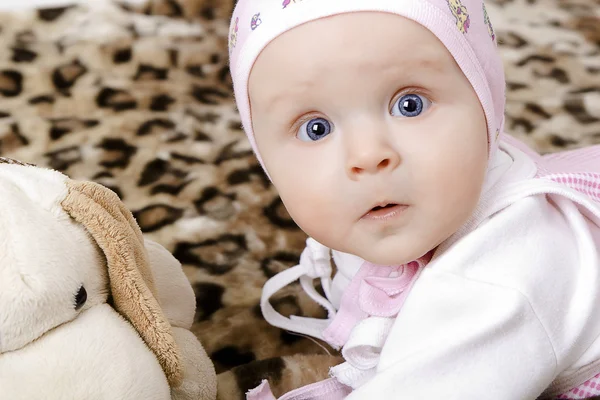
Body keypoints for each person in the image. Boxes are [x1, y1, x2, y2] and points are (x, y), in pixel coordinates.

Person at [227, 0, 600, 398]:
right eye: (316, 129)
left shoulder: (499, 278)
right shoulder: (419, 196)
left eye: (410, 105)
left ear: (487, 108)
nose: (368, 155)